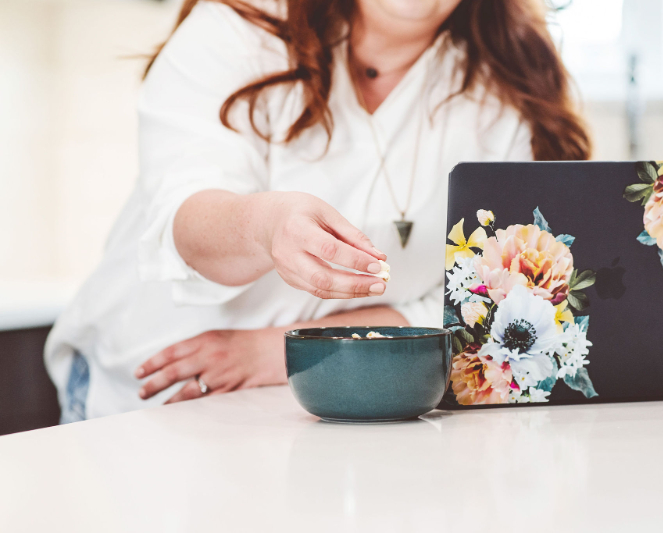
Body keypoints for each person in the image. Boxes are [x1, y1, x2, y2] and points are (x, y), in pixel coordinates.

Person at [45, 0, 591, 421]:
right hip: (147, 401)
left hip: (328, 425)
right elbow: (184, 220)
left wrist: (281, 353)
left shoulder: (514, 94)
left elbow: (496, 312)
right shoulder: (238, 27)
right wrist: (265, 228)